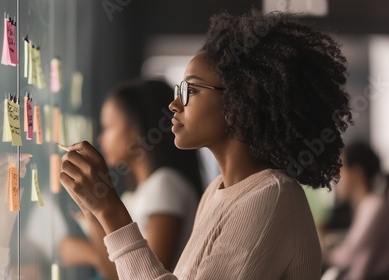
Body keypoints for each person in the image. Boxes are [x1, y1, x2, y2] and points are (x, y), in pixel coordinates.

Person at [59, 8, 352, 279]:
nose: (174, 104)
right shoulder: (217, 192)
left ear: (236, 104)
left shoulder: (272, 196)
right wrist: (96, 205)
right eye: (178, 89)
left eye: (191, 89)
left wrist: (109, 208)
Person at [59, 79, 203, 279]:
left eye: (108, 127)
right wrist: (89, 207)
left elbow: (148, 273)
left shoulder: (165, 184)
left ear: (136, 128)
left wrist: (89, 252)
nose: (101, 139)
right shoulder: (141, 192)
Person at [325, 142, 389, 280]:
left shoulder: (374, 205)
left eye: (341, 169)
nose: (337, 177)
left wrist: (321, 253)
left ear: (357, 172)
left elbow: (349, 255)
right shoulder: (366, 205)